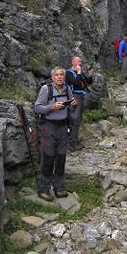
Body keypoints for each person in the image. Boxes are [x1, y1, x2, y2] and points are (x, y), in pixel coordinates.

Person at [34, 66, 77, 201]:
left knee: (61, 158)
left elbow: (72, 108)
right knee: (48, 158)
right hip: (49, 127)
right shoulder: (46, 89)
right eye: (57, 75)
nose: (59, 77)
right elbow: (37, 108)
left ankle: (59, 187)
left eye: (61, 75)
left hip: (63, 127)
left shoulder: (67, 89)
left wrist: (73, 104)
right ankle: (44, 189)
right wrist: (52, 107)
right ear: (52, 78)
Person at [66, 55, 93, 151]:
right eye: (78, 61)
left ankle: (75, 140)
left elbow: (87, 82)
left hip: (81, 97)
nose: (80, 63)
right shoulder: (68, 73)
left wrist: (90, 75)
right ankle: (71, 142)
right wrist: (78, 72)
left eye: (81, 62)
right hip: (74, 97)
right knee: (74, 120)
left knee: (78, 120)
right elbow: (75, 83)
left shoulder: (79, 73)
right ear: (73, 62)